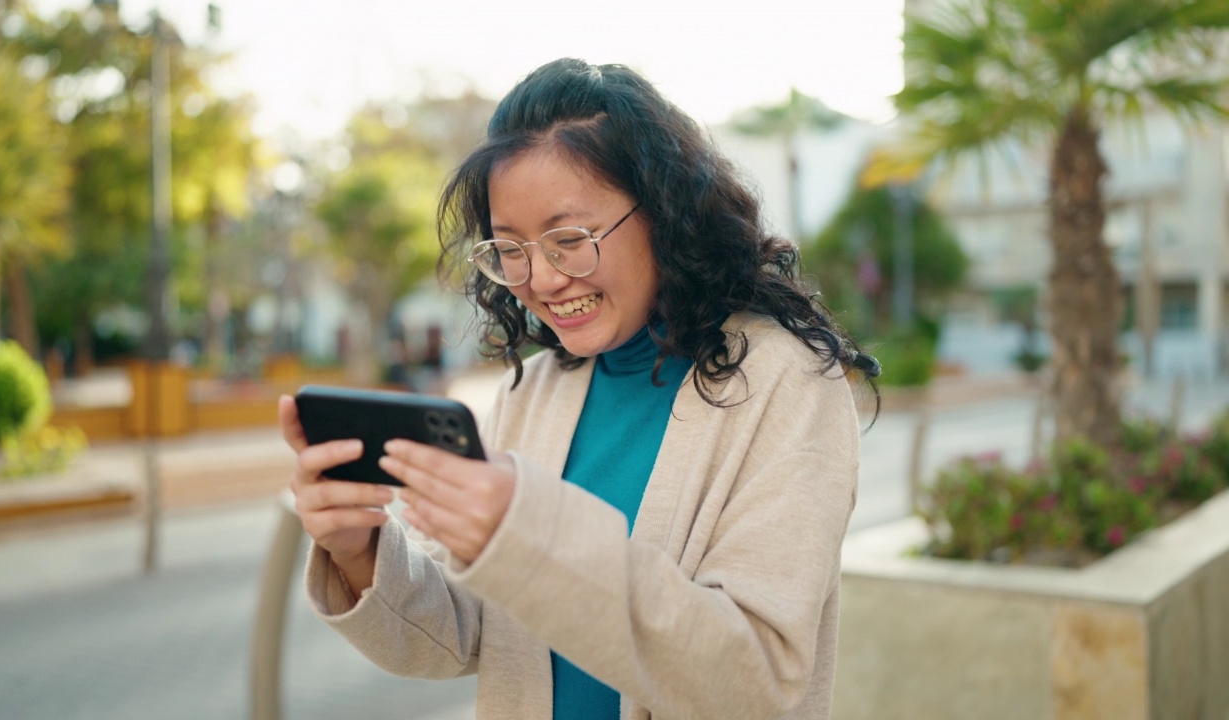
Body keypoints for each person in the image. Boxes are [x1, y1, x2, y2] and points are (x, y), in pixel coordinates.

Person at [278, 57, 879, 720]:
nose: (541, 278)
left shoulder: (787, 385)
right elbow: (464, 637)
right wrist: (359, 549)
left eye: (569, 238)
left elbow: (757, 683)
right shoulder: (534, 392)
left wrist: (530, 531)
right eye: (511, 248)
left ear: (664, 214)